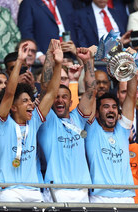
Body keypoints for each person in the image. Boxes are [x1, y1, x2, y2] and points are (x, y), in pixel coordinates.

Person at [0, 40, 62, 202]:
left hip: (33, 190)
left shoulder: (34, 121)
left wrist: (58, 64)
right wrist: (19, 61)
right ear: (13, 107)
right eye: (25, 101)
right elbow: (9, 94)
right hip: (9, 191)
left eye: (30, 101)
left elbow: (51, 93)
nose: (31, 104)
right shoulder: (2, 124)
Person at [37, 47, 95, 202]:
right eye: (55, 97)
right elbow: (45, 88)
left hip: (82, 190)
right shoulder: (46, 121)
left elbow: (90, 91)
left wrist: (88, 61)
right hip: (57, 191)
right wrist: (50, 57)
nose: (60, 100)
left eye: (64, 97)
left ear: (71, 102)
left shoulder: (78, 118)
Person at [86, 71, 138, 203]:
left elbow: (131, 96)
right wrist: (89, 62)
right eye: (106, 107)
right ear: (97, 113)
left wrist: (131, 68)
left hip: (126, 196)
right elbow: (90, 92)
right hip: (100, 197)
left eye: (114, 107)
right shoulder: (92, 130)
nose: (111, 110)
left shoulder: (123, 130)